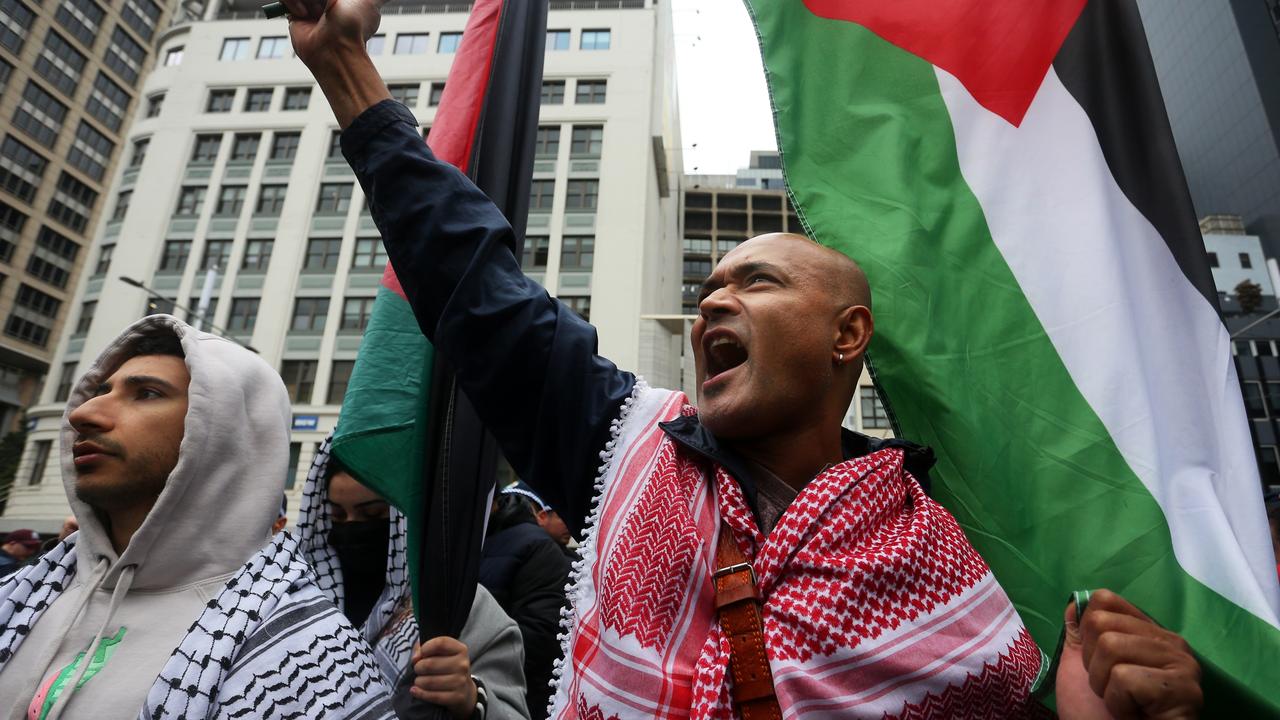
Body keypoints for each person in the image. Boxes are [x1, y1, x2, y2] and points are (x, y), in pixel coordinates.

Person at [279, 4, 1204, 717]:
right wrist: (345, 70)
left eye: (758, 283)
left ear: (849, 336)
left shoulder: (961, 544)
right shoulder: (624, 445)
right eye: (711, 288)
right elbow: (474, 280)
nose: (714, 301)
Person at [0, 317, 395, 719]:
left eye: (146, 394)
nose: (83, 413)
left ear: (223, 434)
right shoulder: (23, 595)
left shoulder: (309, 659)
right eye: (101, 391)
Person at [297, 436, 530, 719]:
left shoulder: (462, 606)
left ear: (403, 516)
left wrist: (471, 698)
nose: (352, 528)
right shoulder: (300, 602)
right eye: (337, 516)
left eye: (373, 514)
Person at [480, 484, 571, 718]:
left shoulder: (538, 549)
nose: (567, 525)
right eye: (560, 515)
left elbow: (539, 636)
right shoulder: (473, 541)